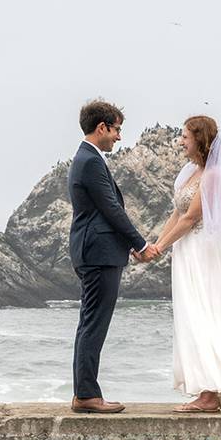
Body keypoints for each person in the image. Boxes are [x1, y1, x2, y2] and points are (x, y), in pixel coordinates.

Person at [146, 115, 221, 412]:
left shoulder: (214, 176)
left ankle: (210, 394)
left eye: (185, 136)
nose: (181, 141)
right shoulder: (189, 173)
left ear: (200, 139)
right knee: (190, 314)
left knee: (202, 312)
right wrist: (156, 245)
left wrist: (161, 246)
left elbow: (192, 218)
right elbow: (176, 213)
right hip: (184, 251)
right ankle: (206, 388)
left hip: (199, 251)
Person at [67, 100, 161, 414]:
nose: (119, 137)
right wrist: (140, 243)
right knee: (94, 323)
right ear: (102, 127)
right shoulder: (90, 161)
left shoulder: (85, 158)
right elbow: (111, 209)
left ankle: (84, 391)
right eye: (117, 129)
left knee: (88, 322)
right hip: (99, 252)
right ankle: (87, 395)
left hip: (93, 249)